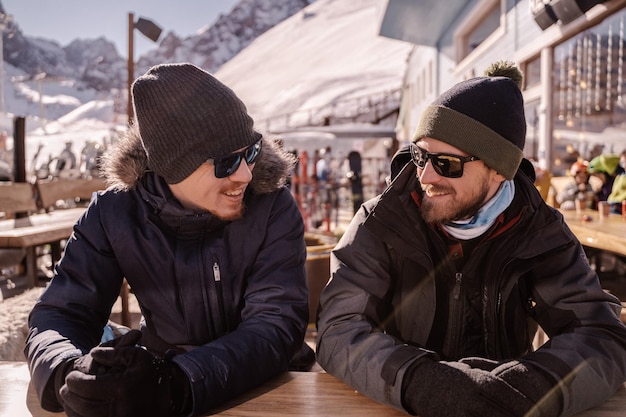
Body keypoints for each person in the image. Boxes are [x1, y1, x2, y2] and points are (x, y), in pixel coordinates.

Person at [316, 61, 626, 417]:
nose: (426, 175)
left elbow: (601, 335)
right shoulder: (382, 221)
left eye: (447, 163)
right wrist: (420, 382)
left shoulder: (538, 231)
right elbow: (338, 330)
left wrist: (531, 388)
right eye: (420, 155)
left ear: (498, 170)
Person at [25, 63, 311, 417]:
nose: (246, 173)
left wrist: (176, 384)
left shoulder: (272, 206)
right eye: (226, 162)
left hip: (265, 384)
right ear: (173, 166)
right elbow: (62, 312)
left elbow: (275, 325)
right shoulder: (114, 213)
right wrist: (66, 375)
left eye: (250, 152)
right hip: (155, 382)